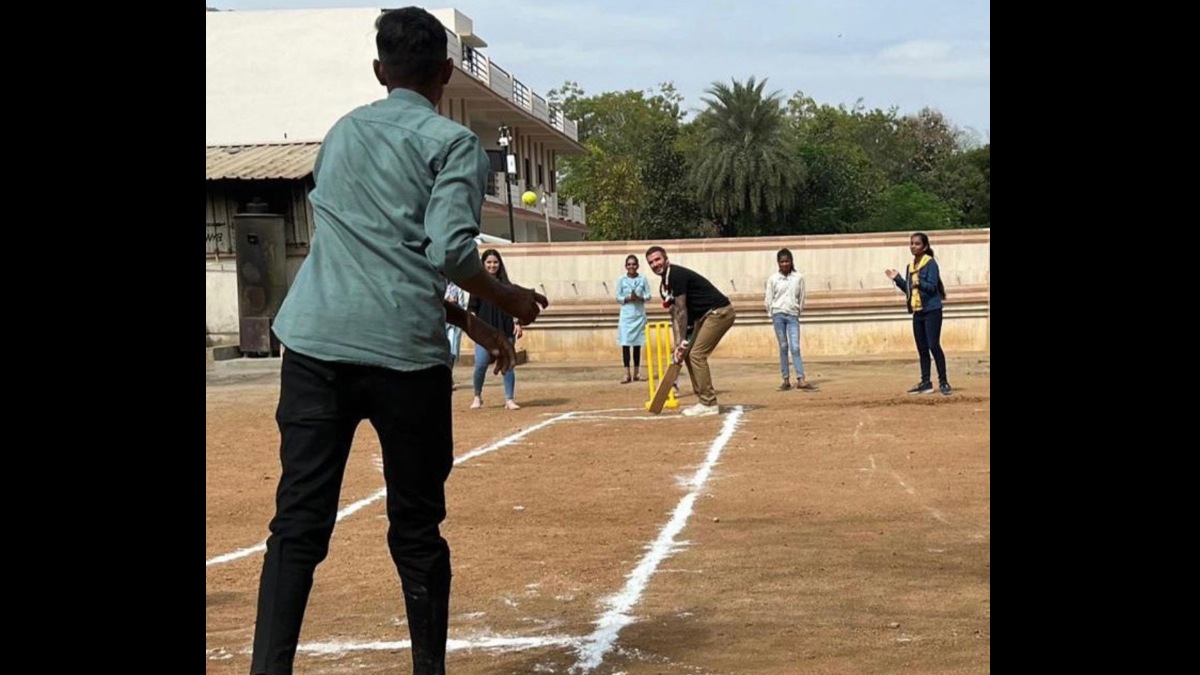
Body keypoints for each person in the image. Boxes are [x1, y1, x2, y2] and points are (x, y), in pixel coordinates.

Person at [249, 9, 549, 675]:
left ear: (380, 71)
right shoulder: (453, 145)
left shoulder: (342, 134)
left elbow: (373, 254)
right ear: (446, 73)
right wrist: (508, 301)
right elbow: (446, 249)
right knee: (416, 528)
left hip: (313, 346)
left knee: (297, 525)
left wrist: (468, 321)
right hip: (403, 359)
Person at [645, 245, 736, 417]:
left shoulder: (676, 275)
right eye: (651, 262)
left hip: (720, 312)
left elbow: (681, 310)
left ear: (666, 259)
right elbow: (674, 316)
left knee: (696, 354)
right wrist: (678, 345)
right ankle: (703, 400)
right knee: (687, 353)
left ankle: (708, 403)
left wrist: (681, 342)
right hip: (702, 317)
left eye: (657, 259)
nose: (655, 264)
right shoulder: (664, 287)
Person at [886, 231, 952, 396]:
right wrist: (898, 279)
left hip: (932, 310)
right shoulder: (911, 266)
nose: (913, 246)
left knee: (933, 345)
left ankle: (943, 381)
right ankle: (925, 382)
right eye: (911, 243)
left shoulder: (930, 264)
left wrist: (918, 282)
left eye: (917, 244)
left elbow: (931, 287)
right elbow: (909, 290)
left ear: (925, 246)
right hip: (918, 311)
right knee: (922, 348)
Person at [469, 249, 525, 410]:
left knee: (508, 365)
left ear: (499, 264)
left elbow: (517, 308)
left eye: (495, 262)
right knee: (480, 364)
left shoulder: (507, 287)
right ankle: (477, 396)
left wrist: (518, 323)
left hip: (505, 332)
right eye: (489, 262)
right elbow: (472, 308)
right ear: (483, 264)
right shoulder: (477, 286)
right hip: (485, 334)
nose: (492, 265)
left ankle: (509, 399)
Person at [764, 247, 816, 391]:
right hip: (778, 315)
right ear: (778, 263)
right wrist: (772, 314)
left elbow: (802, 297)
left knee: (795, 347)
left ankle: (801, 379)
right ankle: (786, 379)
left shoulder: (798, 278)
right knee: (783, 346)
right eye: (782, 262)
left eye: (787, 261)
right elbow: (768, 299)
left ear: (791, 262)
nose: (785, 264)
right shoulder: (773, 279)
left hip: (792, 315)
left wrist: (798, 311)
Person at [615, 254, 651, 384]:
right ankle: (626, 373)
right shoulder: (621, 280)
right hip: (626, 316)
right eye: (629, 264)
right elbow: (617, 297)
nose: (631, 267)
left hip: (639, 315)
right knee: (625, 345)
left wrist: (640, 298)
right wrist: (628, 298)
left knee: (637, 345)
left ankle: (636, 372)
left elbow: (649, 295)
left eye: (633, 264)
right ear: (626, 266)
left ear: (637, 266)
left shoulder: (643, 279)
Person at [444, 280, 464, 389]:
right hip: (440, 323)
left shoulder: (457, 287)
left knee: (452, 352)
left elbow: (462, 304)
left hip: (454, 324)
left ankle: (449, 378)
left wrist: (454, 304)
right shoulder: (436, 282)